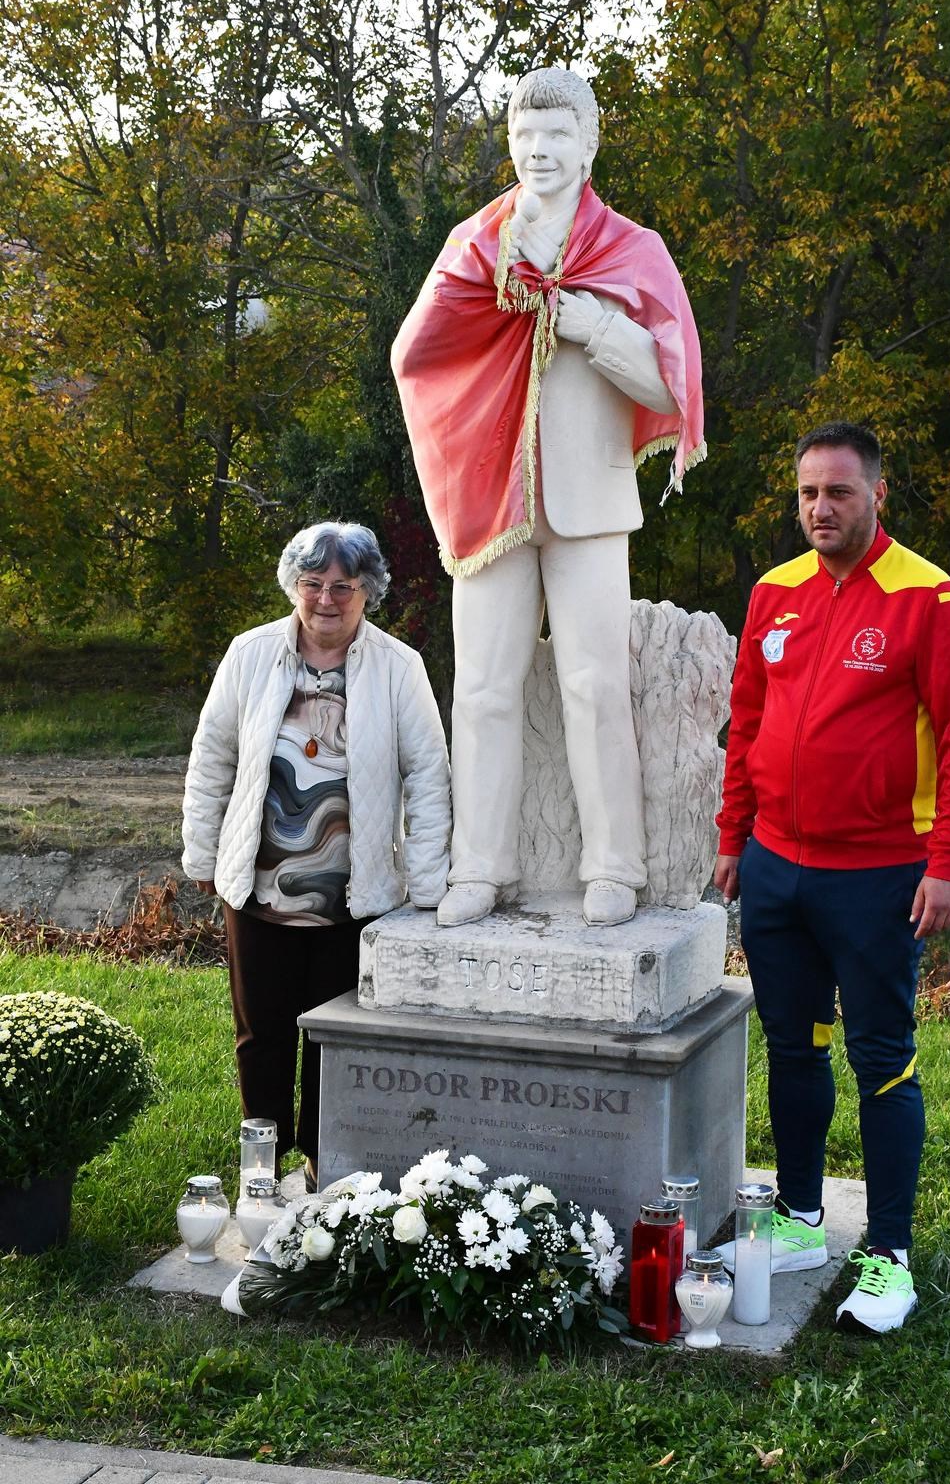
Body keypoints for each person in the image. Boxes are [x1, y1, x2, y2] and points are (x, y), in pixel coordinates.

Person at [392, 67, 704, 931]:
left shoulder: (631, 249)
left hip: (590, 500)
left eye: (558, 135)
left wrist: (594, 325)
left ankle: (614, 865)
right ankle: (479, 867)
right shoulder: (476, 245)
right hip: (491, 498)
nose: (539, 151)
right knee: (482, 690)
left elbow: (671, 383)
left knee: (595, 685)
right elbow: (415, 355)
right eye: (525, 136)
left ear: (589, 145)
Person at [712, 423, 950, 1333]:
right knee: (793, 1047)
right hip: (775, 867)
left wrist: (948, 861)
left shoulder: (927, 598)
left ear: (877, 493)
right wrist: (732, 836)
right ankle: (799, 1220)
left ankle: (888, 1257)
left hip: (877, 875)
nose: (820, 509)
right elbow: (746, 722)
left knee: (880, 1059)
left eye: (837, 492)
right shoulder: (773, 592)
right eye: (807, 494)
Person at [181, 522, 450, 1190]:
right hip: (259, 889)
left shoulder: (398, 667)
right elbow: (212, 757)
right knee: (260, 1037)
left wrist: (426, 883)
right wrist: (203, 852)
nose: (326, 599)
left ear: (368, 592)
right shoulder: (250, 654)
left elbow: (428, 775)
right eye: (313, 583)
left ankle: (328, 1173)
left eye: (343, 586)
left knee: (337, 1041)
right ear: (293, 585)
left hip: (353, 896)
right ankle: (262, 1171)